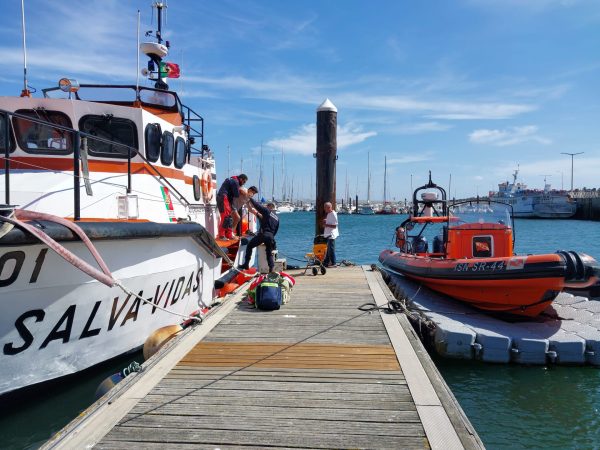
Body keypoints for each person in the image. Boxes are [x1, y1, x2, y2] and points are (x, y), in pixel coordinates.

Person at [238, 199, 279, 272]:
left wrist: (249, 199)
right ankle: (271, 269)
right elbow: (275, 230)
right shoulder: (276, 218)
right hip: (271, 237)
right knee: (269, 253)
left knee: (250, 245)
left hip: (264, 234)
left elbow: (256, 207)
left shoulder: (267, 212)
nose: (265, 207)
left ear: (269, 207)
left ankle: (246, 264)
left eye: (266, 206)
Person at [216, 173, 248, 239]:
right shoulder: (235, 182)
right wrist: (242, 192)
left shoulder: (232, 179)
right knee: (225, 217)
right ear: (241, 179)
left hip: (223, 198)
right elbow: (236, 195)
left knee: (229, 217)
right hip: (223, 198)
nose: (244, 183)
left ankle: (229, 235)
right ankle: (221, 236)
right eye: (244, 182)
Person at [322, 202, 339, 267]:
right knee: (328, 249)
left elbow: (335, 225)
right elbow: (331, 221)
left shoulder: (333, 214)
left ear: (329, 207)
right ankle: (326, 262)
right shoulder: (329, 214)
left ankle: (333, 263)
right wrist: (326, 220)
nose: (324, 209)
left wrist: (326, 225)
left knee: (331, 249)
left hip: (332, 234)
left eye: (325, 207)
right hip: (329, 234)